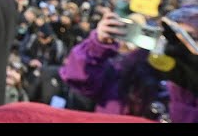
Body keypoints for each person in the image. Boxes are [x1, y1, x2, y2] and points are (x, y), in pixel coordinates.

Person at [59, 8, 198, 122]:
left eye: (190, 37)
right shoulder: (128, 67)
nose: (178, 43)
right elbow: (80, 79)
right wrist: (97, 46)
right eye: (172, 35)